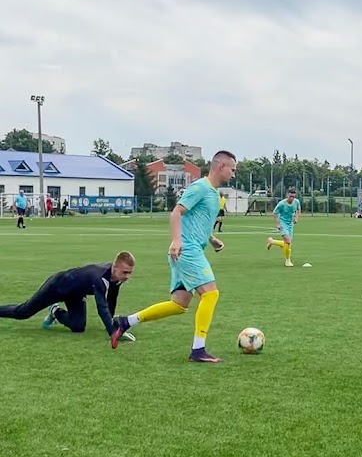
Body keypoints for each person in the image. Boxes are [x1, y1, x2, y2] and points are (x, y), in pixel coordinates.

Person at [110, 151, 238, 363]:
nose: (234, 174)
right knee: (211, 294)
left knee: (179, 304)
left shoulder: (214, 194)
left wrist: (212, 239)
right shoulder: (200, 187)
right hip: (187, 250)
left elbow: (197, 221)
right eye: (232, 169)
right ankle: (198, 350)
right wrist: (178, 241)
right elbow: (176, 212)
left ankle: (126, 321)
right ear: (220, 166)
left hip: (188, 249)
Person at [0, 252, 136, 339]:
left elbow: (111, 298)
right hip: (56, 287)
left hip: (75, 294)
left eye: (129, 272)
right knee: (23, 312)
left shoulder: (116, 278)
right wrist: (113, 332)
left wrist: (111, 322)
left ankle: (55, 311)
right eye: (125, 272)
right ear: (115, 267)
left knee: (78, 327)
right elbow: (102, 306)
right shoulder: (99, 278)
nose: (128, 276)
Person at [267, 188, 301, 267]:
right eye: (290, 196)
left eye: (293, 197)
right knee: (288, 242)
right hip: (283, 223)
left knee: (287, 243)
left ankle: (272, 241)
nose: (292, 198)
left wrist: (296, 218)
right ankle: (287, 261)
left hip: (290, 224)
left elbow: (298, 210)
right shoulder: (282, 204)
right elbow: (275, 213)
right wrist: (278, 224)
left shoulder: (296, 202)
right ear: (287, 195)